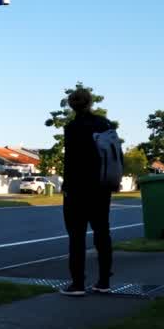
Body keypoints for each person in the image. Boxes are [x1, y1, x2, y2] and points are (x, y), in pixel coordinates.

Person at [59, 87, 115, 296]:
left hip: (78, 189)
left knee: (76, 237)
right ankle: (103, 281)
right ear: (90, 103)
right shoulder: (105, 124)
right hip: (102, 187)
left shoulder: (72, 128)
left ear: (72, 105)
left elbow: (71, 162)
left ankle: (78, 283)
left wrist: (67, 187)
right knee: (102, 234)